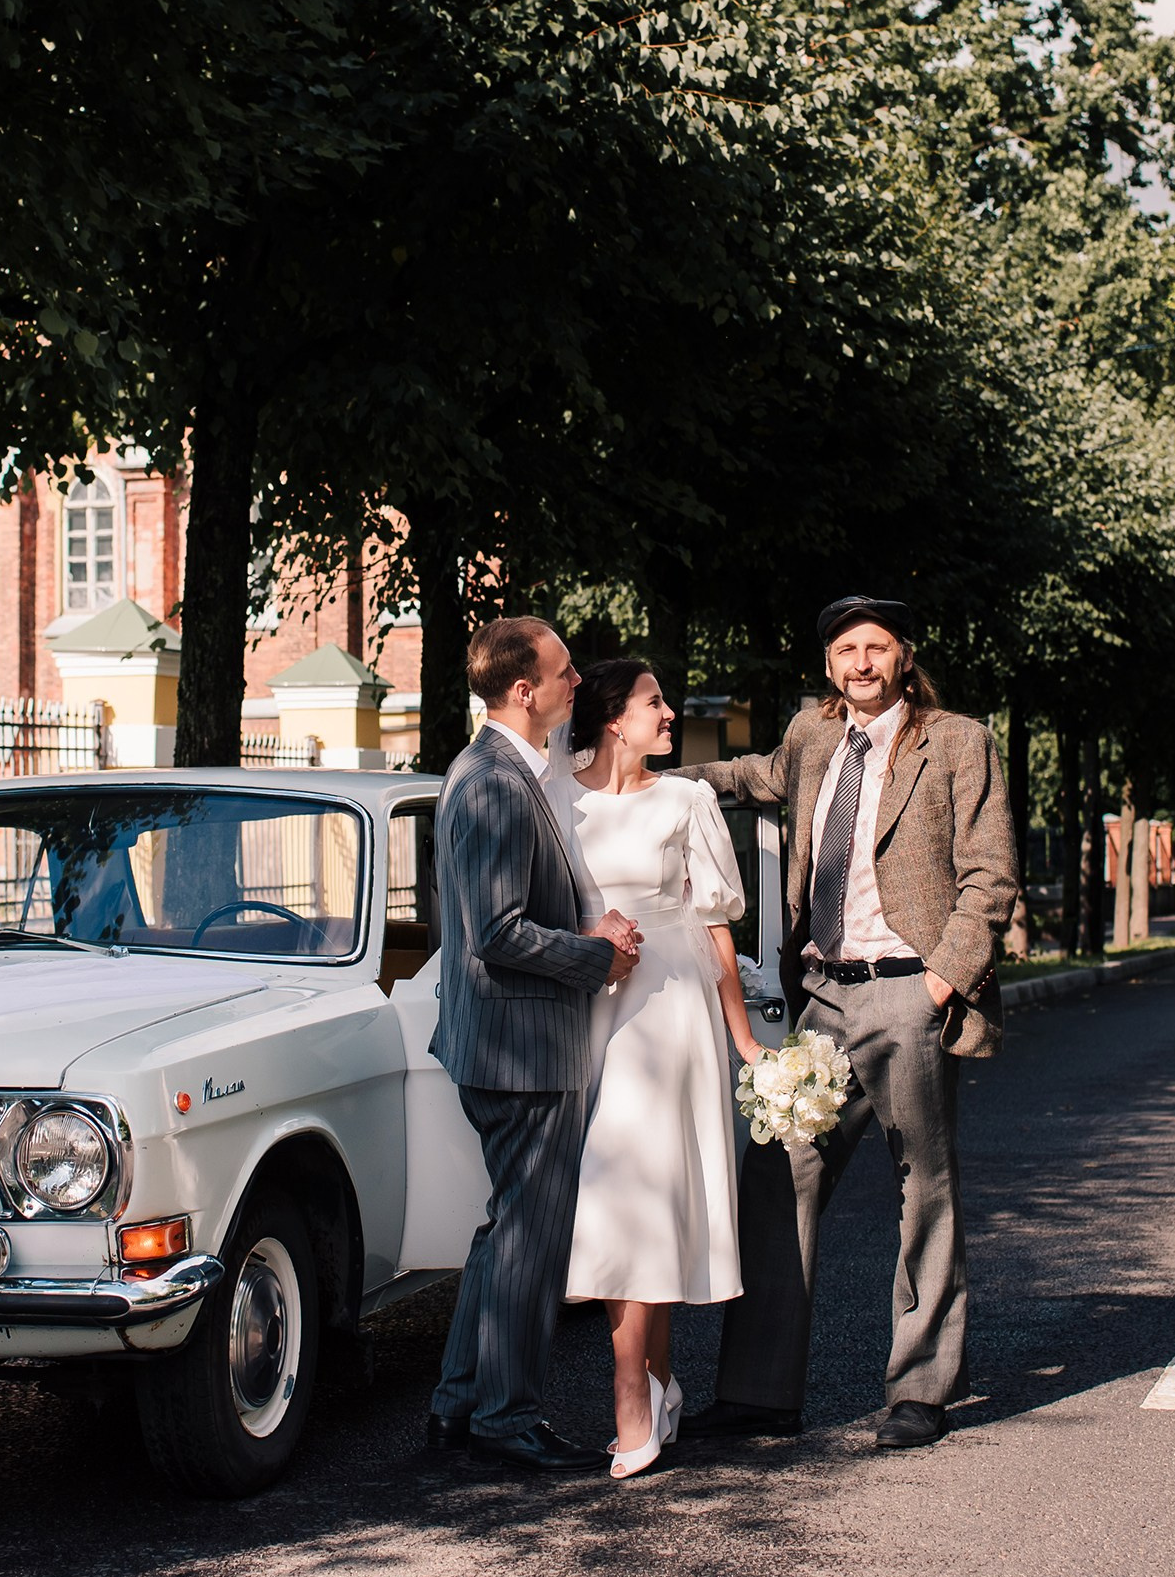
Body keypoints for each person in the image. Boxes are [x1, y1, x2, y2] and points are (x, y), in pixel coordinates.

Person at [677, 596, 1017, 1450]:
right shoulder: (814, 735)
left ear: (904, 656)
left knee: (924, 1188)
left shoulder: (959, 741)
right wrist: (647, 780)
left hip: (908, 991)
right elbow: (752, 776)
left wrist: (939, 982)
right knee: (778, 1172)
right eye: (845, 650)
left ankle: (921, 1389)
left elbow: (991, 875)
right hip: (823, 997)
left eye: (876, 647)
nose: (861, 662)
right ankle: (758, 1395)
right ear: (828, 664)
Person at [426, 616, 645, 1474]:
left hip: (505, 1036)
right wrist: (599, 956)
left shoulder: (504, 770)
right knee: (531, 1237)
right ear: (524, 690)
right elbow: (498, 931)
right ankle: (505, 1419)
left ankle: (458, 1406)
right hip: (520, 1044)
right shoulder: (493, 781)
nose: (577, 682)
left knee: (506, 1228)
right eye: (564, 672)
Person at [557, 660, 766, 1479]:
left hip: (669, 1008)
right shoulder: (558, 798)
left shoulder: (686, 800)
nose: (670, 712)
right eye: (655, 702)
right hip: (587, 1007)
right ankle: (662, 1379)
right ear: (614, 717)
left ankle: (629, 1399)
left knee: (636, 1190)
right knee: (635, 1193)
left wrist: (743, 1038)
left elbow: (714, 925)